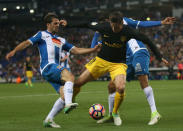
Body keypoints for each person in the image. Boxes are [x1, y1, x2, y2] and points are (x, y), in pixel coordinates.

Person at [61, 11, 168, 126]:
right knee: (78, 83)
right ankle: (71, 101)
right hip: (101, 61)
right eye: (112, 25)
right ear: (109, 22)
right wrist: (68, 24)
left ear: (121, 23)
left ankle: (115, 113)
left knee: (121, 87)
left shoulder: (128, 31)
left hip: (118, 64)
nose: (113, 28)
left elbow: (146, 39)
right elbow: (87, 24)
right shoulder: (105, 27)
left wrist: (158, 56)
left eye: (116, 26)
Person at [6, 13, 101, 128]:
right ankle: (69, 103)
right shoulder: (42, 35)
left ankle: (49, 119)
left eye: (58, 23)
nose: (57, 25)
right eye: (55, 23)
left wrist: (93, 50)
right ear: (48, 24)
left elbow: (76, 50)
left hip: (53, 70)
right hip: (48, 66)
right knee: (70, 77)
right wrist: (14, 51)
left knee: (64, 95)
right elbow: (27, 43)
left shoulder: (61, 40)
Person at [90, 16, 175, 125]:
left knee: (143, 81)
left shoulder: (124, 21)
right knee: (111, 85)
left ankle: (155, 113)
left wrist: (161, 22)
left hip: (138, 52)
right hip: (126, 60)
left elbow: (142, 24)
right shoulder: (108, 32)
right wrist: (96, 37)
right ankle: (112, 114)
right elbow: (94, 45)